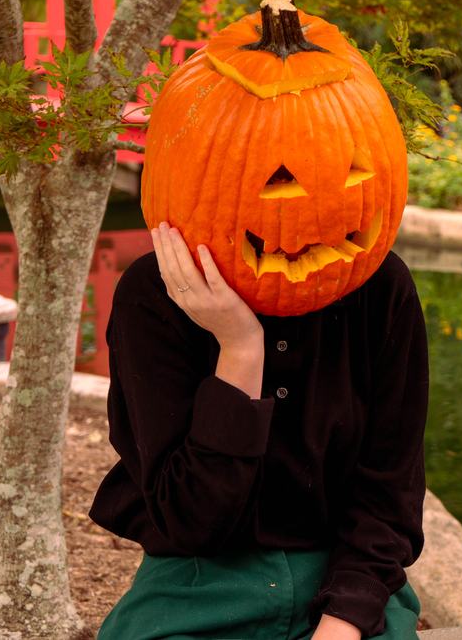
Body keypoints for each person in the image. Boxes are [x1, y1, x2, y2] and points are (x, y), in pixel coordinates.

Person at [89, 221, 429, 639]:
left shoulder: (381, 286)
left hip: (345, 572)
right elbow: (190, 522)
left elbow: (389, 494)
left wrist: (343, 622)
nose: (287, 211)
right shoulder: (154, 292)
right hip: (198, 580)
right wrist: (240, 348)